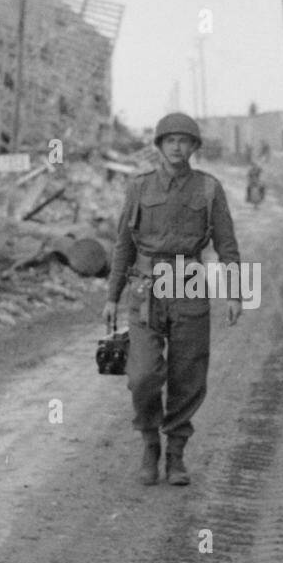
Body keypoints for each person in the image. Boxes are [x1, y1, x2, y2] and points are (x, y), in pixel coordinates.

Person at [104, 113, 242, 486]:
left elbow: (227, 245)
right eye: (171, 141)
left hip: (190, 280)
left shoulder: (209, 189)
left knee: (188, 375)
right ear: (160, 146)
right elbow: (123, 245)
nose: (177, 147)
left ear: (194, 147)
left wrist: (235, 292)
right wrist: (112, 296)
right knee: (143, 376)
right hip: (147, 286)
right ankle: (150, 442)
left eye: (185, 141)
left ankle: (176, 454)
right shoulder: (139, 188)